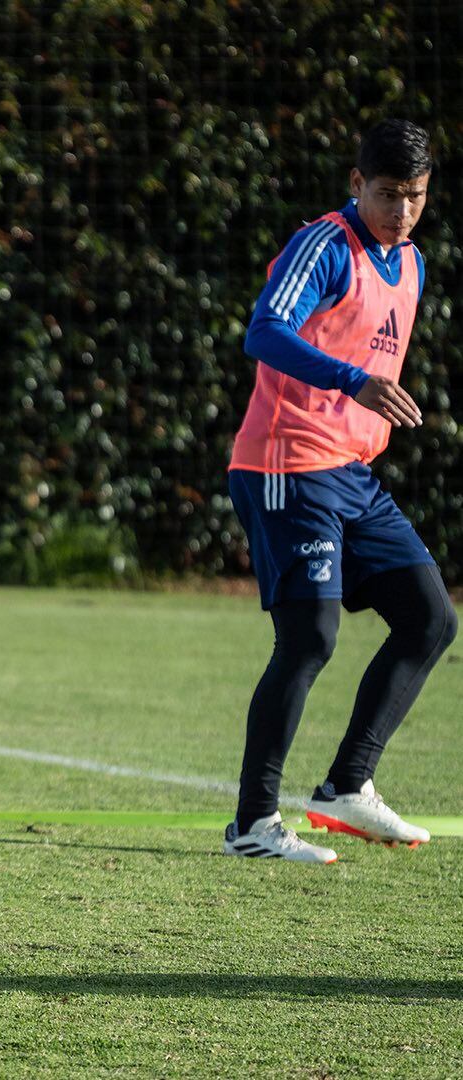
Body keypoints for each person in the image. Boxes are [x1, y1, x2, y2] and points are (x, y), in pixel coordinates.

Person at [225, 119, 456, 864]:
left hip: (351, 473)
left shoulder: (412, 264)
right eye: (388, 194)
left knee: (429, 619)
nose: (401, 210)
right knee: (310, 638)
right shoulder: (326, 246)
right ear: (357, 184)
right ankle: (254, 824)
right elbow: (264, 332)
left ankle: (346, 787)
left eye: (414, 196)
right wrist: (354, 380)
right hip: (287, 463)